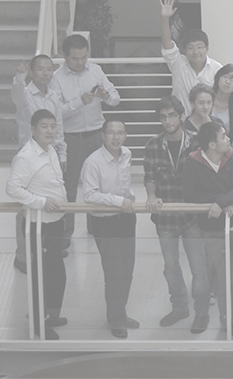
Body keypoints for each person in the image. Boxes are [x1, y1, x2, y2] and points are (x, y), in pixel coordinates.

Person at [180, 121, 233, 338]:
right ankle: (202, 315)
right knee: (204, 277)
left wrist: (221, 202)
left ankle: (231, 318)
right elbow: (190, 195)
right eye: (223, 136)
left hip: (231, 227)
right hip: (205, 230)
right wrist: (220, 201)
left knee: (231, 277)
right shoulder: (192, 164)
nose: (228, 139)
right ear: (211, 145)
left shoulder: (231, 158)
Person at [6, 109, 67, 340]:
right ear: (33, 129)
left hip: (55, 222)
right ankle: (39, 324)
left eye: (53, 126)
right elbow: (13, 188)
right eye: (44, 126)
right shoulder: (26, 157)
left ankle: (50, 315)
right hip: (39, 226)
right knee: (42, 277)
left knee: (57, 275)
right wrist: (41, 202)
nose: (50, 130)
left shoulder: (50, 149)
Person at [52, 34, 120, 243]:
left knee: (99, 183)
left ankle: (96, 226)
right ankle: (66, 233)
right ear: (65, 56)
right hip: (71, 138)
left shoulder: (96, 70)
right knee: (69, 186)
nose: (80, 62)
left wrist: (105, 96)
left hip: (97, 136)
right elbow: (56, 113)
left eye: (84, 57)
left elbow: (116, 99)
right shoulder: (56, 78)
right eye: (75, 58)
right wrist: (79, 102)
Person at [81, 119, 139, 338]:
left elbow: (125, 186)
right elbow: (90, 195)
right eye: (111, 133)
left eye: (120, 133)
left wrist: (129, 201)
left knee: (127, 270)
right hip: (105, 221)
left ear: (125, 135)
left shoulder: (127, 154)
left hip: (127, 218)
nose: (116, 137)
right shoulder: (93, 162)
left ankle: (120, 313)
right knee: (114, 272)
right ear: (103, 135)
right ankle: (115, 320)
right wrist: (118, 201)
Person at [143, 96, 198, 328]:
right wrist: (151, 195)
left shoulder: (196, 141)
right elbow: (150, 175)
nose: (168, 121)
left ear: (181, 116)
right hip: (165, 216)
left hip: (192, 215)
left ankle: (202, 308)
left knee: (199, 265)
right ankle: (180, 307)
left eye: (172, 115)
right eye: (163, 117)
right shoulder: (153, 145)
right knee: (171, 266)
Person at [11, 54, 66, 273]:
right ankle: (24, 255)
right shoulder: (25, 93)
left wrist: (62, 155)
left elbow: (58, 127)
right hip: (30, 155)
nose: (45, 73)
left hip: (50, 154)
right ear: (32, 72)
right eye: (41, 69)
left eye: (49, 69)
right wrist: (19, 77)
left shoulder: (54, 95)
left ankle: (51, 246)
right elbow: (16, 95)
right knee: (26, 206)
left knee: (51, 197)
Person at [160, 0, 222, 113]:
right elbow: (167, 44)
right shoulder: (178, 64)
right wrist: (165, 18)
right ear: (184, 51)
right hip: (182, 120)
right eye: (191, 48)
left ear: (207, 49)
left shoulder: (217, 69)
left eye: (199, 47)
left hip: (207, 121)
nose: (195, 52)